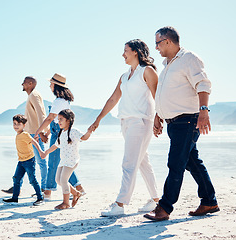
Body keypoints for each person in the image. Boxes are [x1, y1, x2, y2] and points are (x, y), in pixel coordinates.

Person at [144, 26, 219, 221]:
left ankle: (165, 207)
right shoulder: (167, 64)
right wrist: (158, 115)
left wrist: (204, 111)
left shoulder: (188, 58)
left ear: (168, 41)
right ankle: (209, 201)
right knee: (192, 162)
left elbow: (203, 84)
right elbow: (164, 94)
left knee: (175, 163)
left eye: (158, 43)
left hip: (188, 119)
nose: (156, 48)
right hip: (174, 122)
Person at [89, 39, 160, 216]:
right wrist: (98, 119)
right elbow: (113, 99)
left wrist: (159, 118)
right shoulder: (125, 75)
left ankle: (120, 204)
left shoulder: (147, 71)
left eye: (125, 51)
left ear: (135, 51)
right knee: (143, 162)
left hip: (141, 121)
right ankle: (156, 200)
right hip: (126, 122)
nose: (123, 54)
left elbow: (157, 96)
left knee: (129, 163)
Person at [34, 73, 85, 200]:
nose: (50, 85)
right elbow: (58, 120)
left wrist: (37, 131)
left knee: (53, 163)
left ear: (56, 86)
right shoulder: (64, 101)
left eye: (51, 83)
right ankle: (79, 188)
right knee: (64, 162)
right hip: (58, 131)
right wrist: (48, 132)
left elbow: (51, 118)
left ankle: (48, 192)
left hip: (58, 132)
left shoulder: (58, 101)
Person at [1, 76, 49, 194]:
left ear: (30, 83)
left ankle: (44, 188)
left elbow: (40, 113)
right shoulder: (31, 96)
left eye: (24, 83)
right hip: (30, 132)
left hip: (34, 133)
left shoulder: (34, 95)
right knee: (24, 159)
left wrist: (42, 132)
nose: (22, 84)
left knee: (41, 161)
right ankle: (17, 186)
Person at [40, 109, 92, 209]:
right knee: (58, 180)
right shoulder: (61, 133)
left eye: (61, 119)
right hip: (63, 161)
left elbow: (84, 137)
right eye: (58, 119)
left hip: (72, 161)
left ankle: (66, 202)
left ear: (68, 120)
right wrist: (46, 152)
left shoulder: (73, 131)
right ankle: (76, 193)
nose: (58, 121)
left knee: (63, 180)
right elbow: (55, 146)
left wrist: (89, 132)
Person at [3, 114, 45, 206]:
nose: (16, 126)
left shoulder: (25, 134)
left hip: (29, 161)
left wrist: (41, 151)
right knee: (16, 178)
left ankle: (40, 198)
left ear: (24, 125)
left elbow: (34, 142)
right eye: (14, 124)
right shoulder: (18, 135)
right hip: (21, 161)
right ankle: (15, 198)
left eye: (19, 124)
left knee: (32, 179)